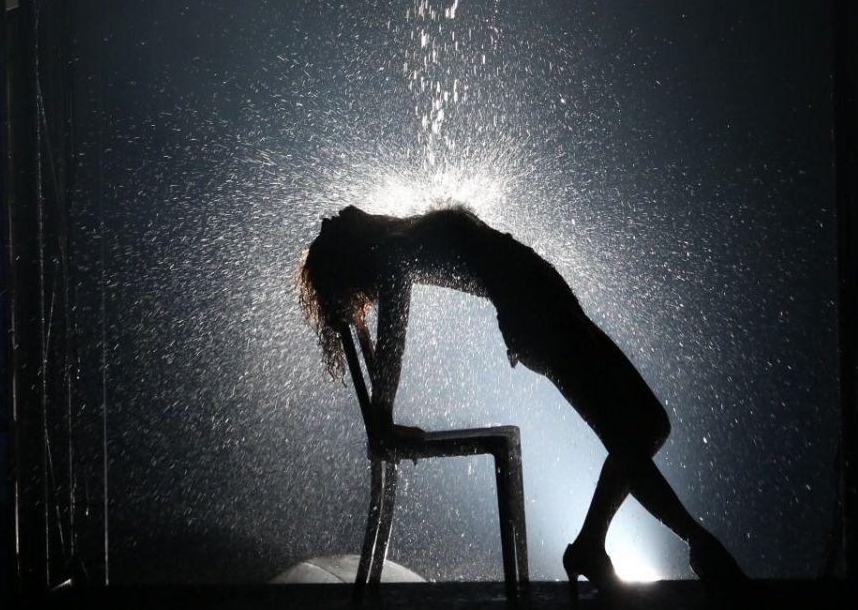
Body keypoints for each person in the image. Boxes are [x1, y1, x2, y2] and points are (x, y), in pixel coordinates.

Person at [298, 204, 747, 591]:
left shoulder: (405, 232)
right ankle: (696, 541)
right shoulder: (395, 252)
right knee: (630, 435)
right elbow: (394, 326)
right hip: (539, 323)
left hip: (550, 312)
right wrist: (382, 416)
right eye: (334, 226)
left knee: (650, 425)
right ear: (353, 250)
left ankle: (592, 545)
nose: (333, 215)